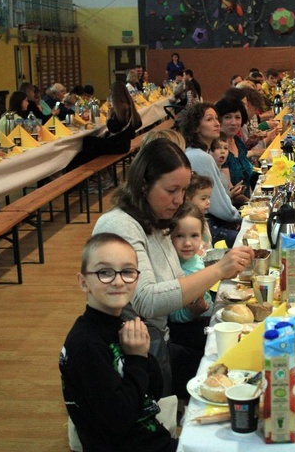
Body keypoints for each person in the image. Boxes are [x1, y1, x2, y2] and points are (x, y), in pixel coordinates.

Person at [91, 138, 252, 397]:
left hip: (163, 336)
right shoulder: (119, 226)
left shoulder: (158, 218)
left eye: (184, 190)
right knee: (230, 377)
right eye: (171, 190)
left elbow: (178, 283)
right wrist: (219, 270)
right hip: (133, 353)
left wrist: (198, 304)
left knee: (236, 357)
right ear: (143, 185)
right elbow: (147, 300)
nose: (179, 200)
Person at [59, 233, 177, 452]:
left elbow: (154, 391)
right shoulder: (85, 345)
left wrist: (142, 355)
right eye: (104, 272)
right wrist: (135, 358)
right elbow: (119, 419)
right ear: (83, 282)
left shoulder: (121, 324)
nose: (118, 281)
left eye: (127, 271)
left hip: (152, 445)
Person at [180, 103, 243, 246]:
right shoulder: (201, 157)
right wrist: (240, 218)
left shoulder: (202, 153)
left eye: (216, 119)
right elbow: (218, 205)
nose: (216, 124)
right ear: (196, 127)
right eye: (209, 119)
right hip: (203, 224)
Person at [167, 203, 215, 352]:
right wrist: (192, 311)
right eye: (179, 236)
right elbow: (172, 316)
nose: (187, 243)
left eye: (194, 236)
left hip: (207, 315)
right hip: (187, 328)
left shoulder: (196, 258)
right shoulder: (172, 269)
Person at [67, 81, 142, 171]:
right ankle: (89, 168)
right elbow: (138, 123)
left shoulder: (121, 108)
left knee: (88, 141)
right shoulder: (129, 105)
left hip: (118, 146)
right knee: (91, 144)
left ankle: (84, 169)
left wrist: (109, 118)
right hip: (124, 144)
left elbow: (113, 129)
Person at [215, 97, 254, 203]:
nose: (234, 122)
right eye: (228, 117)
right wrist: (253, 205)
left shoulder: (238, 142)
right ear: (219, 120)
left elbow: (247, 181)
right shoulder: (219, 149)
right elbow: (232, 191)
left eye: (237, 117)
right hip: (234, 208)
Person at [184, 172, 214, 254]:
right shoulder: (187, 223)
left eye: (209, 197)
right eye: (203, 199)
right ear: (188, 200)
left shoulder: (203, 219)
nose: (208, 202)